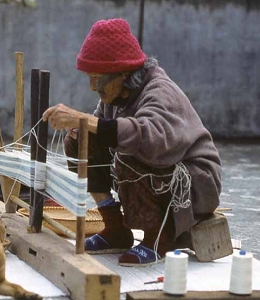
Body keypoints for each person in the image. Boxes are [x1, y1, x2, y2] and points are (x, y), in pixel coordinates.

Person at [42, 18, 222, 266]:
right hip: (159, 173)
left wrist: (81, 118)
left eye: (97, 78)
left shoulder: (159, 91)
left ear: (124, 73)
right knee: (79, 137)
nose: (93, 87)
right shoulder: (114, 96)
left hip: (195, 182)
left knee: (129, 147)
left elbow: (150, 140)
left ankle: (158, 238)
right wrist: (79, 125)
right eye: (89, 78)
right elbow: (99, 130)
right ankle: (115, 227)